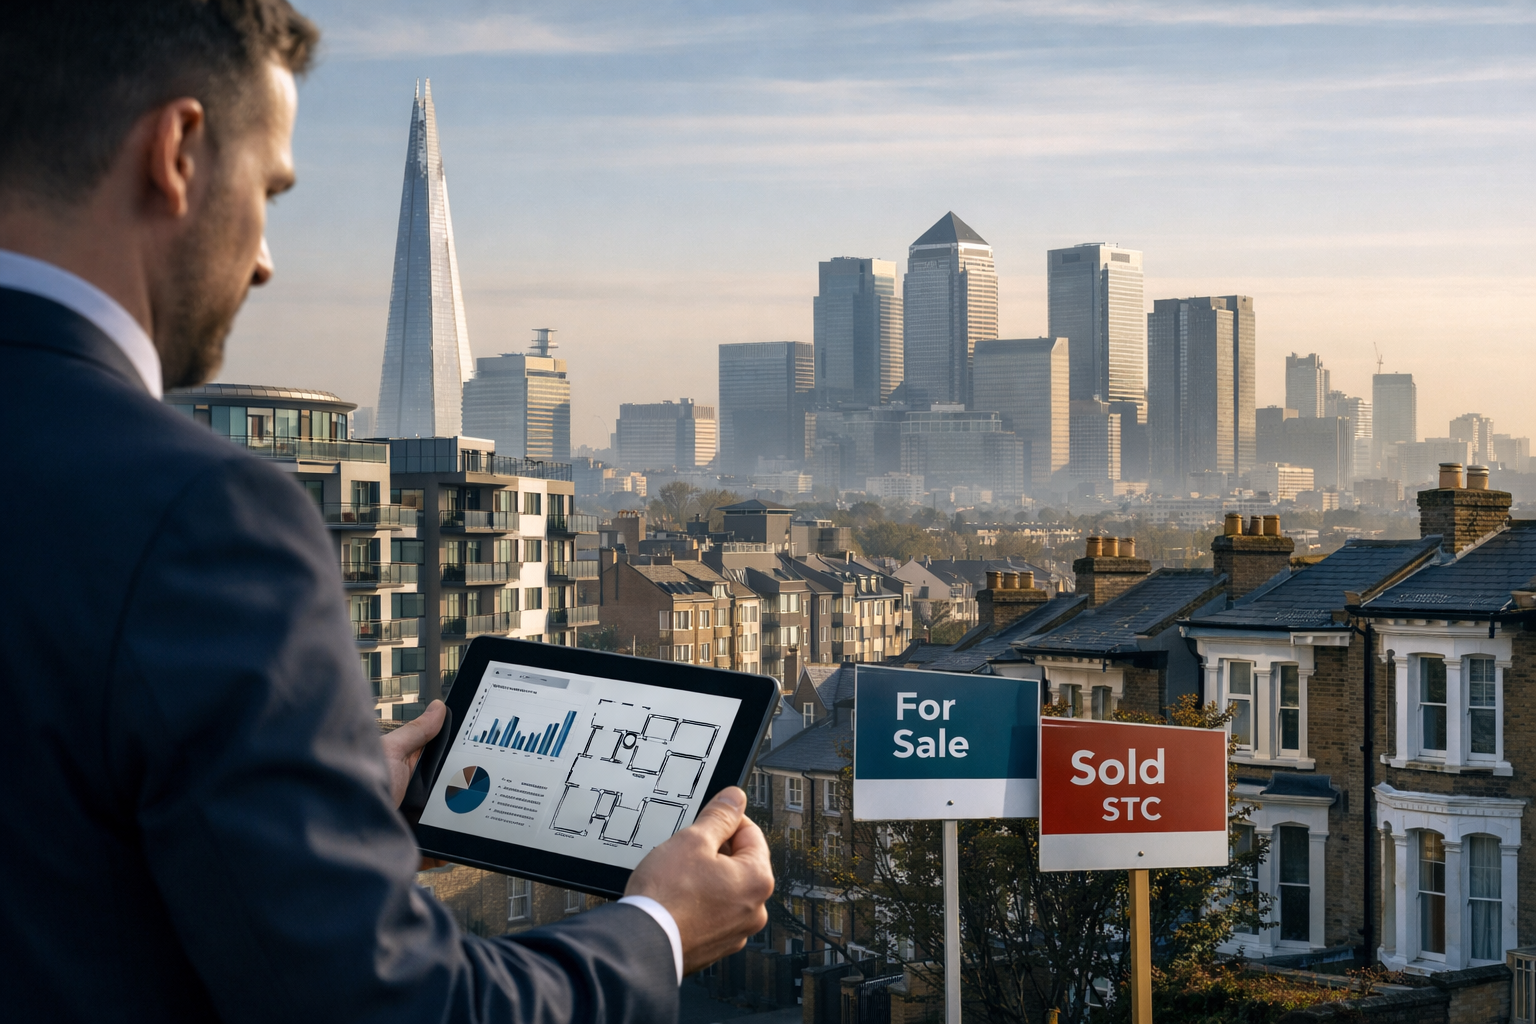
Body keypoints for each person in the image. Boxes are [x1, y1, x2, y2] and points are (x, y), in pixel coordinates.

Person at [0, 2, 773, 1021]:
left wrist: (294, 810)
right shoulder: (202, 515)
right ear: (178, 150)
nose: (268, 257)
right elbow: (393, 1006)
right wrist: (658, 929)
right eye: (270, 190)